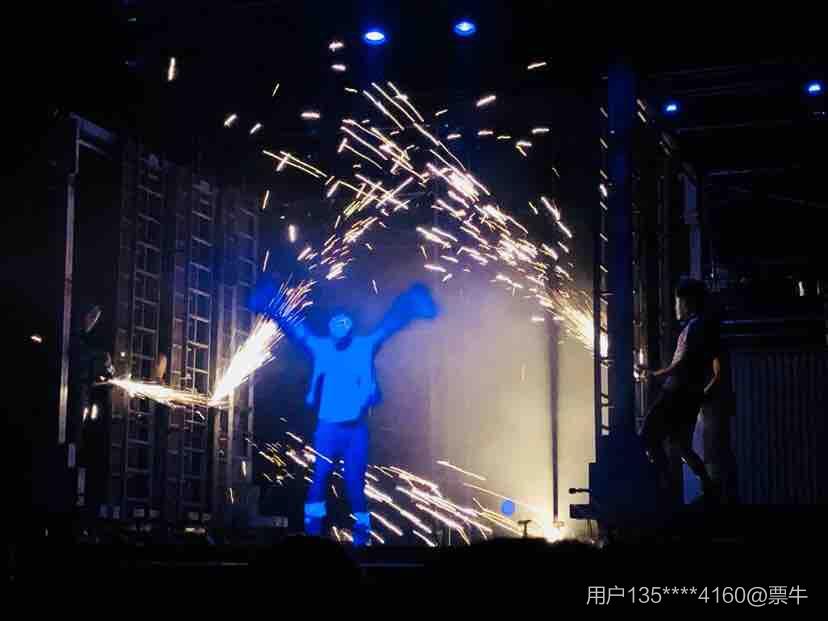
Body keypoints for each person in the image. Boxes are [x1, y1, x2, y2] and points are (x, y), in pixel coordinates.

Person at [256, 281, 438, 546]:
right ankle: (313, 536)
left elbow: (388, 327)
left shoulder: (364, 345)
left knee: (354, 483)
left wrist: (411, 304)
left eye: (344, 322)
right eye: (335, 322)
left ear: (350, 326)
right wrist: (275, 306)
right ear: (330, 327)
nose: (339, 326)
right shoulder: (322, 347)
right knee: (320, 478)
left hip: (354, 431)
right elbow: (297, 330)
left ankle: (360, 538)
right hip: (328, 428)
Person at [640, 279, 718, 502]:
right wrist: (704, 390)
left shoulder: (694, 328)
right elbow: (714, 366)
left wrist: (657, 374)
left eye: (678, 302)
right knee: (682, 445)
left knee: (647, 437)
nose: (676, 307)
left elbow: (682, 363)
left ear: (687, 302)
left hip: (676, 393)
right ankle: (708, 487)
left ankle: (665, 488)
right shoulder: (703, 326)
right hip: (690, 395)